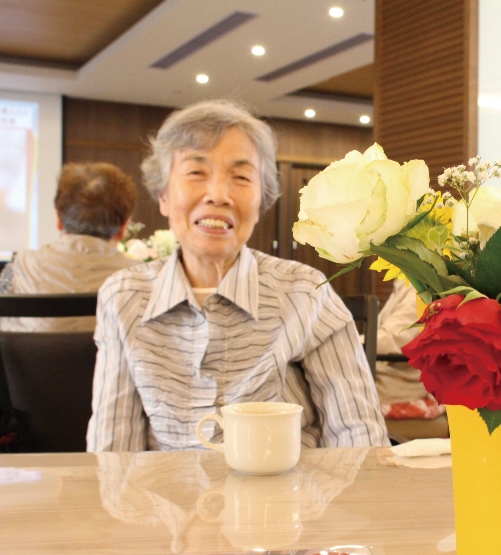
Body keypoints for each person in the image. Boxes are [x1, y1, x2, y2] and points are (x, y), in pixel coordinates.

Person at [86, 99, 389, 452]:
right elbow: (112, 455)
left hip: (290, 486)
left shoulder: (305, 293)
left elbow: (359, 441)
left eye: (241, 177)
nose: (218, 195)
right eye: (196, 172)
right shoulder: (124, 297)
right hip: (167, 488)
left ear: (261, 202)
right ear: (163, 197)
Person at [0, 162, 137, 332]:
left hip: (31, 351)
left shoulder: (17, 266)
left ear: (58, 219)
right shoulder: (141, 280)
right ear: (124, 228)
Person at [376, 279, 444, 420]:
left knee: (342, 386)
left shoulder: (417, 286)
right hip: (390, 368)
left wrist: (350, 342)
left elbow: (392, 339)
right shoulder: (403, 283)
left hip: (404, 380)